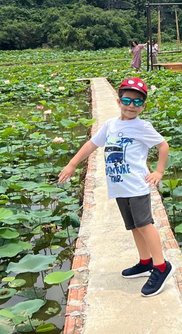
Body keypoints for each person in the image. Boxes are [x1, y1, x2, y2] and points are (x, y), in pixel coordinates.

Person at [58, 77, 173, 297]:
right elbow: (92, 144)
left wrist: (159, 171)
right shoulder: (111, 125)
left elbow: (163, 145)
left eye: (137, 102)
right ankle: (145, 261)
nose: (131, 106)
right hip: (120, 187)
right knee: (134, 227)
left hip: (137, 186)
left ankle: (161, 266)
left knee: (145, 224)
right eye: (127, 100)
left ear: (143, 106)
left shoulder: (142, 126)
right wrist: (72, 164)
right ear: (119, 100)